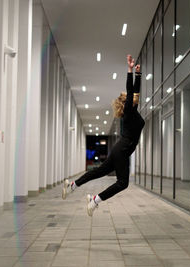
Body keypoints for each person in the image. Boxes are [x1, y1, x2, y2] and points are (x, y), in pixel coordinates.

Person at [62, 54, 145, 216]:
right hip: (122, 150)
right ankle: (95, 200)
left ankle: (73, 185)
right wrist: (129, 70)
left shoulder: (132, 111)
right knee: (122, 183)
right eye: (132, 97)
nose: (136, 97)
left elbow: (135, 91)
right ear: (127, 101)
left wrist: (139, 74)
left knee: (99, 172)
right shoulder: (129, 110)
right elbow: (131, 90)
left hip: (119, 149)